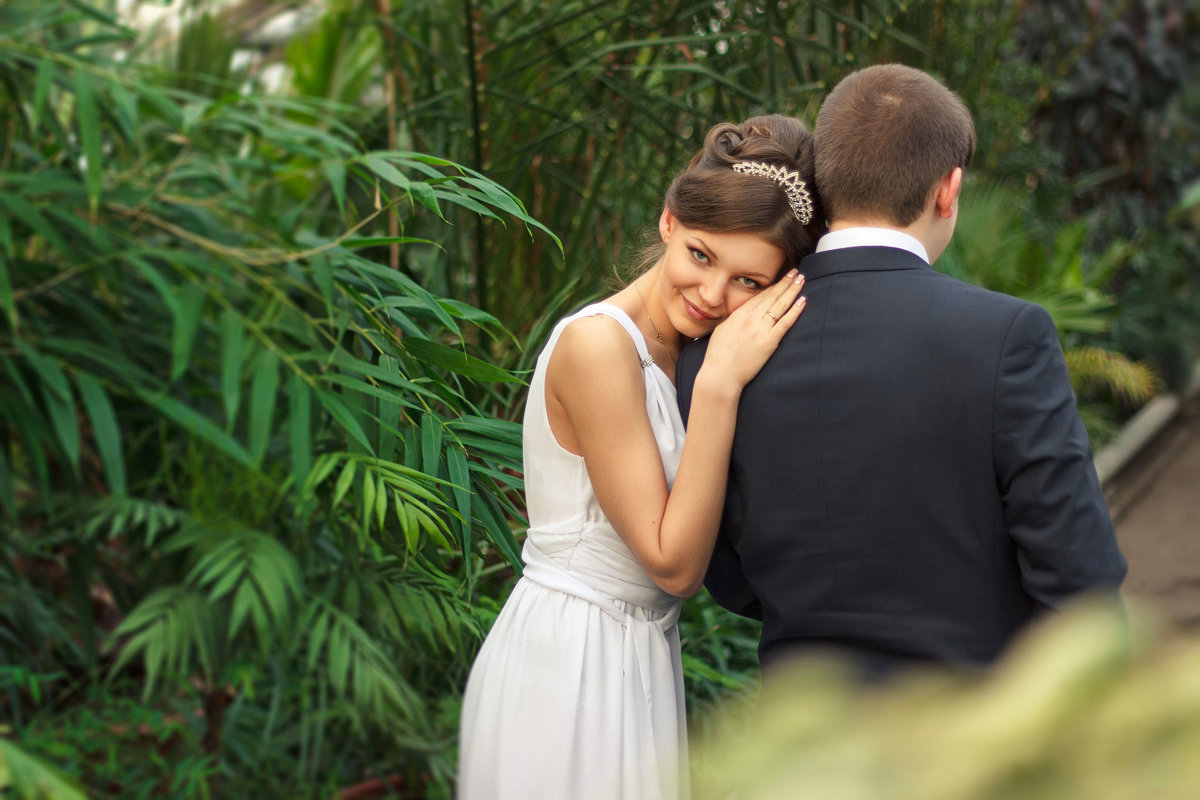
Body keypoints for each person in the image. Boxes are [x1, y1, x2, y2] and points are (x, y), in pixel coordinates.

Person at [677, 64, 1127, 683]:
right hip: (973, 736)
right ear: (949, 190)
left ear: (826, 178)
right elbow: (1079, 578)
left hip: (804, 744)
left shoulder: (717, 355)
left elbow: (728, 576)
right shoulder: (1004, 335)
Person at [457, 115, 826, 799]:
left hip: (638, 655)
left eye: (749, 282)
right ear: (666, 222)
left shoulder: (688, 355)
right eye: (701, 255)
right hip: (566, 663)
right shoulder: (600, 347)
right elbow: (673, 562)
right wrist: (719, 387)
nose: (713, 295)